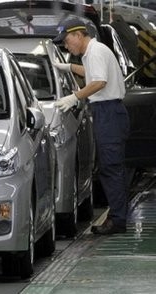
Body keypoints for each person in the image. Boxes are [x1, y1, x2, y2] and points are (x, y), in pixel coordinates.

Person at [52, 18, 130, 235]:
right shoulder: (92, 52)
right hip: (109, 113)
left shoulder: (94, 52)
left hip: (108, 113)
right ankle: (118, 216)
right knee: (111, 167)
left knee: (111, 168)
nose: (67, 47)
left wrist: (74, 97)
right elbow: (91, 73)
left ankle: (118, 220)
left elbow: (99, 82)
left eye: (67, 42)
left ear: (79, 35)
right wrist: (67, 67)